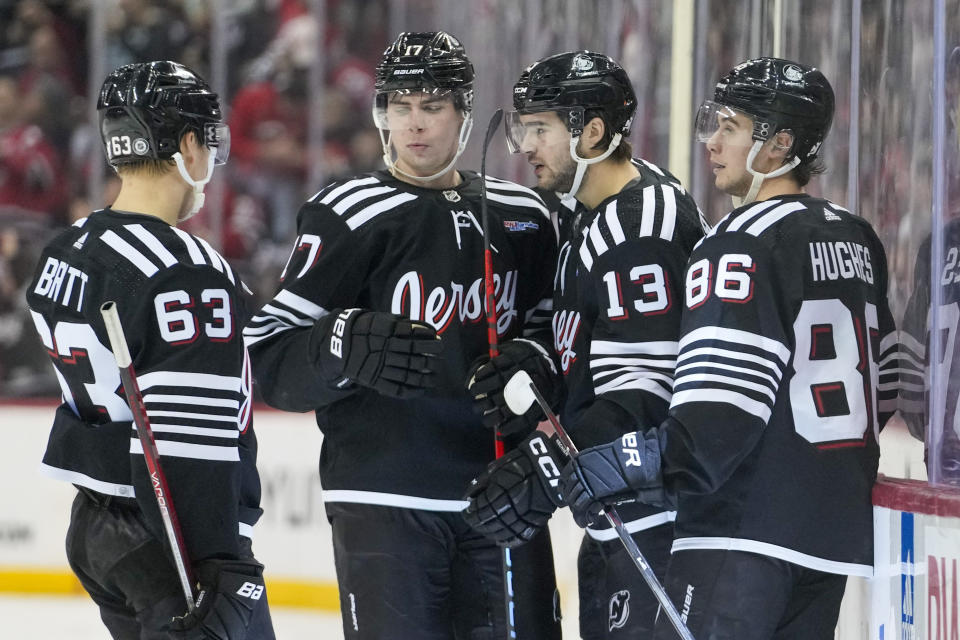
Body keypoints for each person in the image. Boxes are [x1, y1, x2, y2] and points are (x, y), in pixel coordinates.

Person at [559, 58, 900, 639]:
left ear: (780, 144)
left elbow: (714, 426)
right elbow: (887, 385)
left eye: (731, 127)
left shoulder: (739, 242)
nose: (712, 142)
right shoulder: (857, 236)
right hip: (830, 537)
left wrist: (617, 463)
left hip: (738, 539)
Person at [243, 31, 562, 639]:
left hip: (505, 499)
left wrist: (537, 357)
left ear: (465, 113)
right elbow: (269, 355)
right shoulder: (349, 213)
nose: (414, 124)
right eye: (400, 106)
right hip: (384, 500)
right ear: (381, 112)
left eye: (433, 106)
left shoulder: (525, 214)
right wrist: (340, 344)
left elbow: (558, 328)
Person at [25, 61, 274, 640]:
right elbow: (187, 444)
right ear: (188, 144)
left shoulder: (66, 248)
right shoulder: (188, 270)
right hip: (168, 538)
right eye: (209, 141)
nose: (211, 162)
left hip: (95, 528)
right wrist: (221, 566)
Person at [462, 51, 707, 639]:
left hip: (658, 522)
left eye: (541, 128)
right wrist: (539, 362)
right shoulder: (590, 216)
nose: (525, 145)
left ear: (592, 132)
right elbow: (592, 342)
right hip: (615, 510)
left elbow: (647, 393)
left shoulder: (638, 228)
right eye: (524, 127)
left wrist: (543, 465)